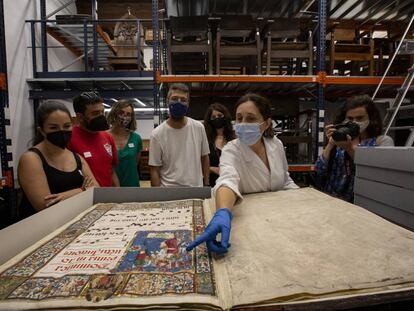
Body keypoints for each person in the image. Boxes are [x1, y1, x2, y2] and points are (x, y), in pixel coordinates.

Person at [186, 93, 298, 254]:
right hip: (252, 223)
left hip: (279, 219)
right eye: (239, 118)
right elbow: (227, 180)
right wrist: (223, 212)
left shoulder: (276, 144)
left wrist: (302, 201)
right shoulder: (232, 149)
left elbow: (285, 180)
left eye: (250, 119)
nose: (243, 124)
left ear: (266, 123)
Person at [18, 102, 98, 218]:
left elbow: (96, 190)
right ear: (42, 131)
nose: (62, 131)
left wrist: (66, 195)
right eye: (53, 127)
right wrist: (83, 189)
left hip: (71, 221)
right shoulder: (31, 159)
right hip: (40, 228)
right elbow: (45, 205)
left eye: (66, 126)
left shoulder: (77, 158)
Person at [315, 95, 394, 202]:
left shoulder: (381, 142)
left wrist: (349, 149)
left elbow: (380, 177)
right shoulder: (340, 140)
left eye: (360, 118)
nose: (355, 122)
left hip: (364, 204)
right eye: (350, 118)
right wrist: (330, 144)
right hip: (333, 203)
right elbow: (319, 170)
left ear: (371, 118)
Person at [149, 83, 210, 187]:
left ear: (188, 103)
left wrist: (206, 184)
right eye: (174, 98)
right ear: (167, 101)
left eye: (183, 100)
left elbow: (204, 157)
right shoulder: (157, 134)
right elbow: (154, 169)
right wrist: (158, 196)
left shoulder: (198, 127)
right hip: (168, 192)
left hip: (195, 189)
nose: (179, 102)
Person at [68, 92, 120, 187]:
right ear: (80, 117)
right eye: (95, 113)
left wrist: (118, 193)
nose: (101, 116)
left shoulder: (108, 137)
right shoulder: (68, 139)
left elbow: (111, 172)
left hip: (106, 198)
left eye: (102, 112)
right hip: (82, 198)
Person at [107, 100, 143, 187]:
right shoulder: (103, 137)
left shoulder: (136, 138)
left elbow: (135, 163)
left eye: (128, 114)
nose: (124, 116)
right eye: (121, 112)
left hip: (132, 185)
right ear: (114, 113)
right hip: (110, 187)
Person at [203, 103, 235, 186]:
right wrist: (212, 169)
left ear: (225, 117)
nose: (217, 118)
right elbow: (200, 164)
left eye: (220, 115)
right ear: (209, 120)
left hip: (233, 183)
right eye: (213, 117)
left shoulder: (234, 139)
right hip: (212, 184)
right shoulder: (205, 140)